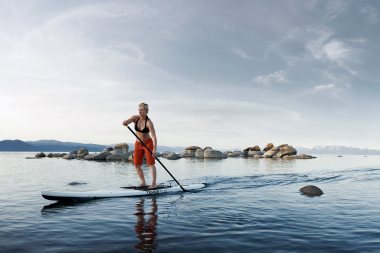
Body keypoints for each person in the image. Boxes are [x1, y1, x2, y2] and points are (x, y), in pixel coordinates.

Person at [122, 102, 157, 189]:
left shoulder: (149, 122)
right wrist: (125, 122)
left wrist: (154, 149)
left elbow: (153, 136)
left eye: (142, 110)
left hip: (148, 143)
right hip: (138, 143)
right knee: (137, 164)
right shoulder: (135, 118)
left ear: (146, 111)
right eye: (139, 110)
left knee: (150, 164)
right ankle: (143, 182)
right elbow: (128, 120)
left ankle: (154, 183)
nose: (140, 111)